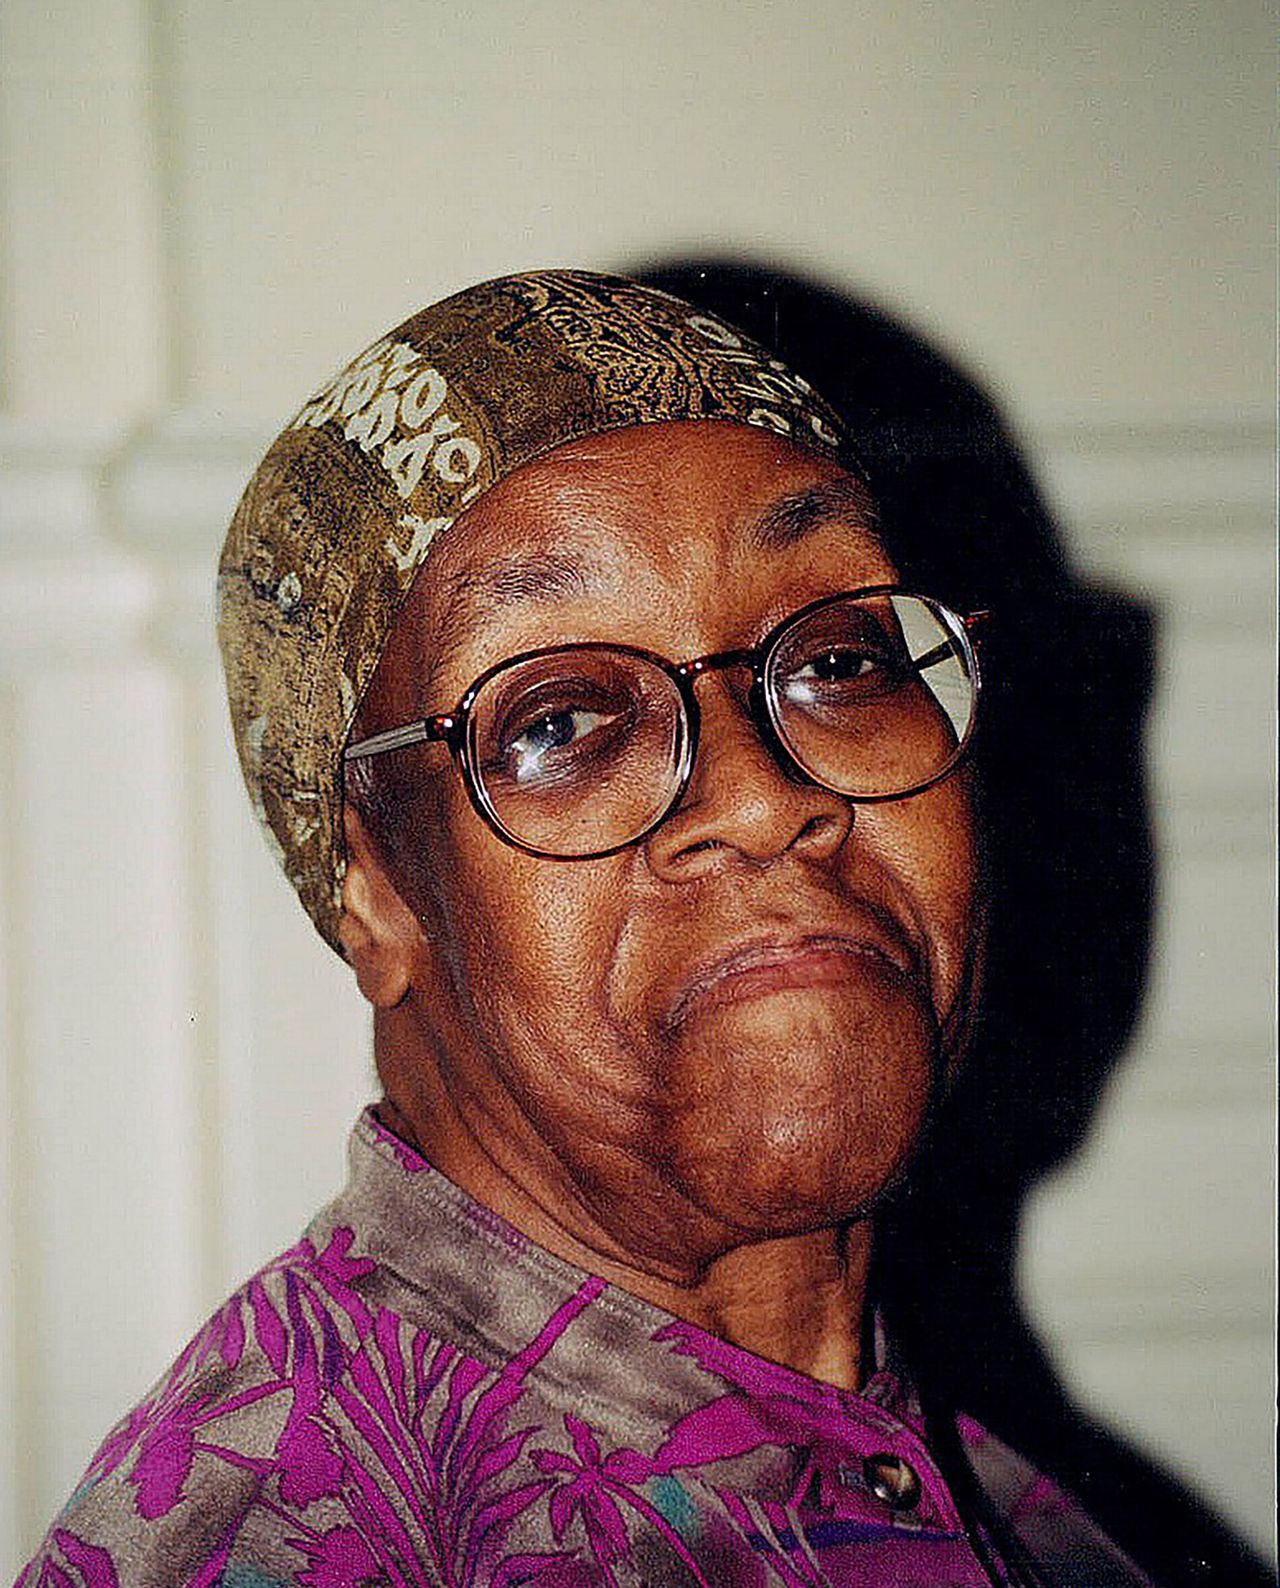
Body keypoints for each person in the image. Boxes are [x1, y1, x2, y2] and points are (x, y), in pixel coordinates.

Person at [15, 270, 1151, 1587]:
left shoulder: (1028, 1512)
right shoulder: (289, 1547)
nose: (761, 800)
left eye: (840, 661)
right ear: (376, 887)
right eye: (558, 722)